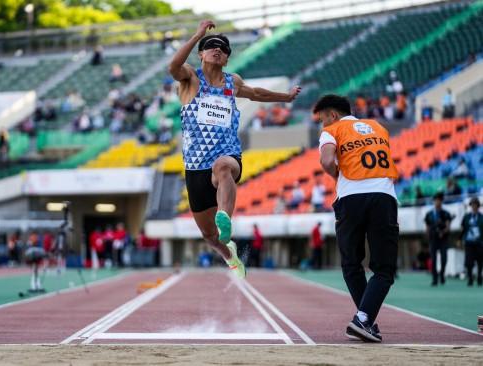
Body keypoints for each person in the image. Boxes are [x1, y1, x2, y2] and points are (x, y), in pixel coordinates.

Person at [168, 20, 301, 279]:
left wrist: (284, 97)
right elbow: (173, 66)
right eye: (211, 46)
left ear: (227, 59)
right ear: (201, 53)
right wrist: (197, 34)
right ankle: (229, 254)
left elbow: (256, 94)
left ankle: (224, 218)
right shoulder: (190, 79)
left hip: (227, 154)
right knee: (209, 236)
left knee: (224, 168)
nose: (217, 49)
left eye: (223, 48)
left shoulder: (232, 82)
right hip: (195, 165)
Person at [317, 94, 399, 343]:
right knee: (384, 269)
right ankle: (364, 319)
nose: (323, 125)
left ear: (332, 115)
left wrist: (337, 177)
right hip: (384, 196)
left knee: (351, 264)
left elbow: (327, 160)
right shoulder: (379, 128)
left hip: (350, 197)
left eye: (323, 120)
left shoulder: (333, 129)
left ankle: (364, 319)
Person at [424, 192, 453, 286]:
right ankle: (434, 278)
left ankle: (442, 274)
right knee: (433, 259)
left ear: (441, 201)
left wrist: (443, 232)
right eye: (436, 200)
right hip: (433, 239)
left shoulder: (446, 213)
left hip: (443, 239)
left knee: (444, 258)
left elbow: (448, 227)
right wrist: (428, 238)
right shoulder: (429, 214)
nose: (437, 202)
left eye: (439, 200)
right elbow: (427, 228)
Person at [460, 197, 483, 286]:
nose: (474, 206)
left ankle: (479, 276)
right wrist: (460, 239)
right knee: (469, 261)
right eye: (472, 205)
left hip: (479, 242)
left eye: (475, 205)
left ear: (478, 206)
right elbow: (463, 229)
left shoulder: (481, 217)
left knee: (480, 261)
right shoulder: (467, 217)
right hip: (469, 242)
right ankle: (470, 277)